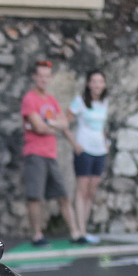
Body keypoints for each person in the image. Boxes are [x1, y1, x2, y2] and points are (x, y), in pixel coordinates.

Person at [20, 59, 85, 246]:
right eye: (40, 76)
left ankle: (75, 233)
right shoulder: (29, 99)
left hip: (51, 154)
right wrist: (52, 125)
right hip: (34, 153)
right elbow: (38, 127)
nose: (43, 79)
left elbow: (65, 123)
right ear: (34, 77)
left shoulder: (51, 100)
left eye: (47, 76)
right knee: (35, 196)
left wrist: (50, 125)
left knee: (63, 195)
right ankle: (37, 235)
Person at [68, 70, 109, 245]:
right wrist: (74, 143)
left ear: (104, 84)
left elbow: (101, 127)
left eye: (100, 81)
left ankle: (85, 228)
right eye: (94, 81)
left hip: (100, 151)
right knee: (81, 190)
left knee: (91, 192)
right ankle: (81, 231)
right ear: (88, 83)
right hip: (84, 150)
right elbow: (64, 122)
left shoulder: (104, 102)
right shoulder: (79, 102)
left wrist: (106, 141)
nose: (97, 85)